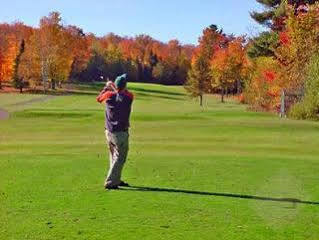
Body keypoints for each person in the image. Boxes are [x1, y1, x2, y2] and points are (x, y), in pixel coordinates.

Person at [96, 74, 134, 190]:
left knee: (114, 156)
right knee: (120, 157)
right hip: (121, 133)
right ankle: (111, 181)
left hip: (109, 132)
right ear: (125, 86)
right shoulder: (129, 97)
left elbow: (99, 98)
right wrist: (113, 86)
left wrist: (107, 87)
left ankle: (116, 178)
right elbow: (121, 93)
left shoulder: (108, 95)